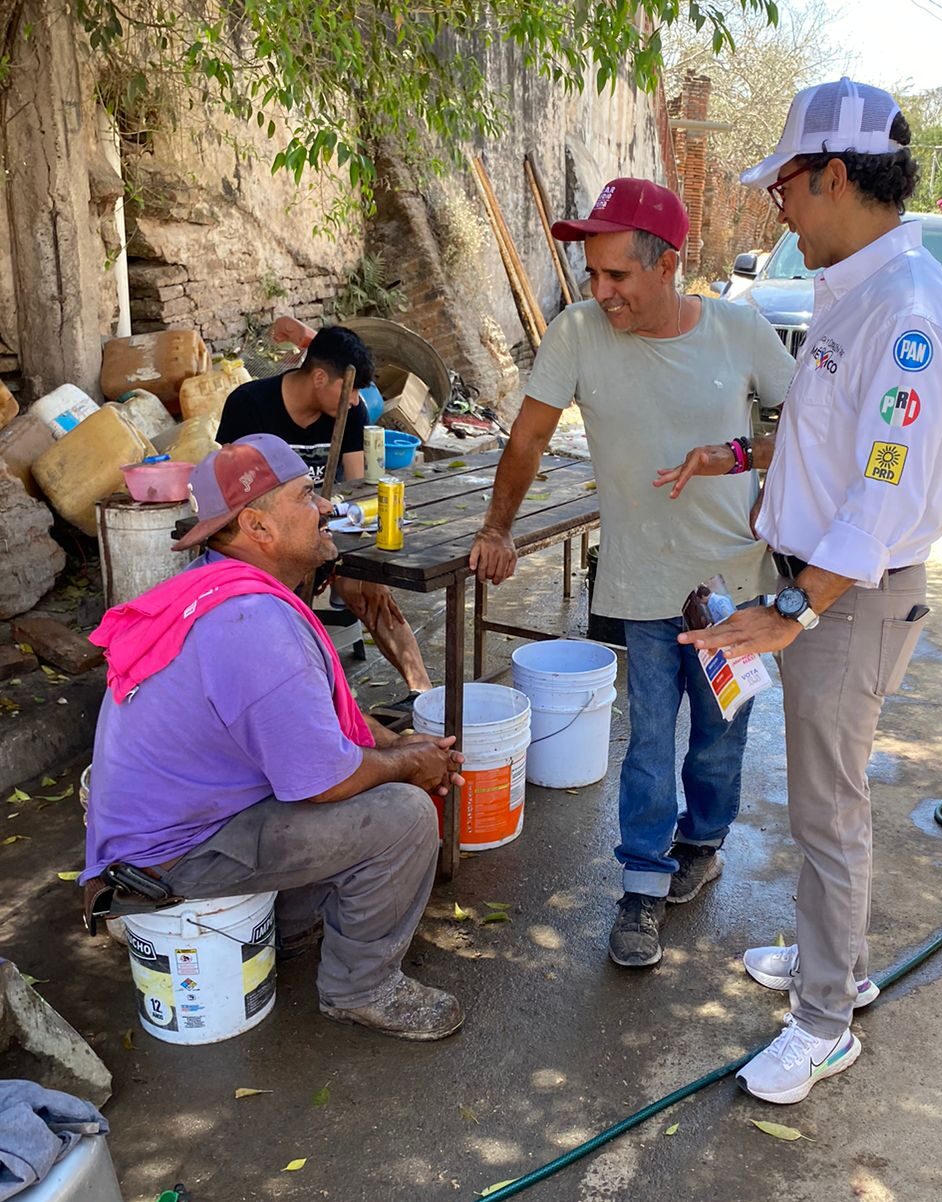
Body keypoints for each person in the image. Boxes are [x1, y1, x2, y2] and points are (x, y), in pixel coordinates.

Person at [666, 77, 942, 1105]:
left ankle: (825, 1021)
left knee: (829, 810)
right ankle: (827, 959)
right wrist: (738, 455)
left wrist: (796, 608)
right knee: (815, 799)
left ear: (836, 175)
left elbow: (881, 496)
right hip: (816, 580)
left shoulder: (914, 313)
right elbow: (836, 445)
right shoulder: (859, 293)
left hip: (848, 596)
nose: (780, 210)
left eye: (786, 189)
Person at [468, 177, 796, 968]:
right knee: (649, 738)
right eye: (593, 274)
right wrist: (497, 528)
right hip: (642, 581)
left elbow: (813, 436)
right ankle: (642, 887)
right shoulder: (577, 333)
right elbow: (527, 440)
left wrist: (741, 456)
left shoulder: (742, 332)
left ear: (668, 263)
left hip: (735, 588)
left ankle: (704, 841)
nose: (601, 291)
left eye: (617, 274)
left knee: (718, 738)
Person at [83, 434, 465, 1039]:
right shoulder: (252, 623)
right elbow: (323, 779)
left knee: (374, 767)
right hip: (171, 859)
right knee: (405, 815)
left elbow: (295, 718)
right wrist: (407, 767)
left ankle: (285, 928)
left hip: (182, 824)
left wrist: (389, 744)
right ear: (258, 526)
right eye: (308, 494)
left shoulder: (219, 586)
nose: (324, 506)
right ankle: (359, 987)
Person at [217, 325, 434, 698]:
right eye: (347, 391)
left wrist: (367, 567)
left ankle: (425, 695)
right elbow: (232, 494)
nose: (353, 402)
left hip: (325, 531)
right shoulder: (248, 405)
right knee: (265, 606)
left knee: (369, 589)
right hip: (265, 540)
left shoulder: (352, 413)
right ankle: (290, 694)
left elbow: (356, 492)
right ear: (319, 377)